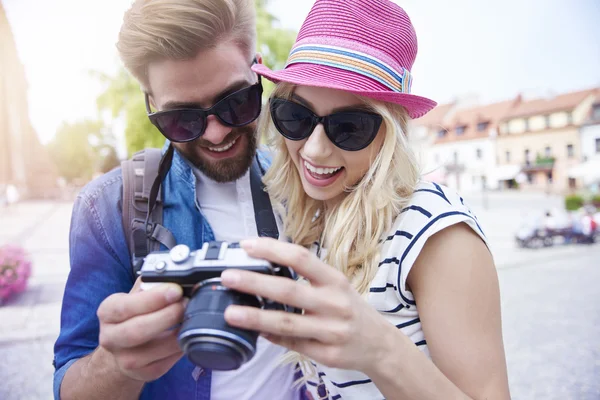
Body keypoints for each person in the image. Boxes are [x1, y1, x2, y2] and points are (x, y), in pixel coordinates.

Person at [216, 0, 512, 399]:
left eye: (350, 127)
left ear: (390, 134)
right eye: (297, 117)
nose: (315, 150)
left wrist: (381, 350)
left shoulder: (435, 233)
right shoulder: (314, 218)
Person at [53, 1, 300, 399]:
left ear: (258, 69)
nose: (216, 134)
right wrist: (117, 364)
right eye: (182, 119)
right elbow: (70, 388)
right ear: (151, 103)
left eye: (236, 102)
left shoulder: (300, 183)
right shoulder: (108, 207)